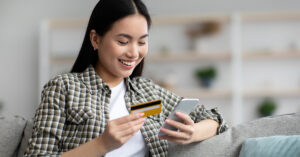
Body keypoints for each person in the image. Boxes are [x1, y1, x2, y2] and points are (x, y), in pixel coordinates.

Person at [25, 0, 228, 156]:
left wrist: (193, 132)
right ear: (96, 39)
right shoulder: (63, 88)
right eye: (123, 41)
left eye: (141, 42)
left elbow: (215, 119)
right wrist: (102, 144)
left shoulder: (148, 92)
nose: (134, 53)